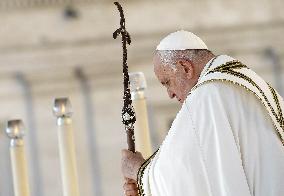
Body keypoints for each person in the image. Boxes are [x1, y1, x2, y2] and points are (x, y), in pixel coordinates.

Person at [121, 30, 284, 196]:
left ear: (185, 68)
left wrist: (140, 173)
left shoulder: (207, 95)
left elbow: (187, 174)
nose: (170, 94)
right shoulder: (245, 80)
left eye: (167, 82)